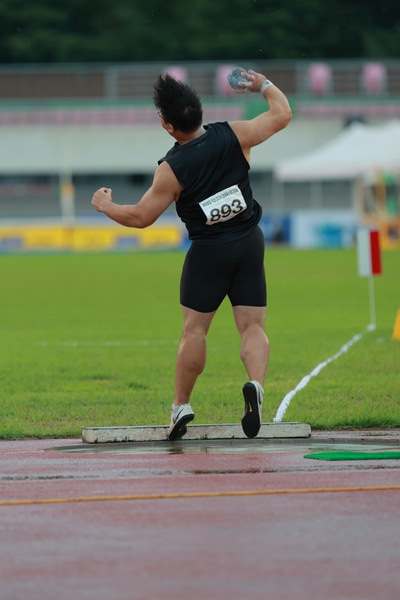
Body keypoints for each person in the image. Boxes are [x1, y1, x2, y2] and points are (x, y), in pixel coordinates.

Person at [91, 69, 292, 441]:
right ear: (199, 112)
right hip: (249, 243)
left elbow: (141, 217)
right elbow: (281, 114)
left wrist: (105, 205)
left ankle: (181, 406)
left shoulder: (172, 170)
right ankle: (256, 387)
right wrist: (263, 84)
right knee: (252, 327)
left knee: (195, 330)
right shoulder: (234, 133)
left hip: (208, 254)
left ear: (169, 127)